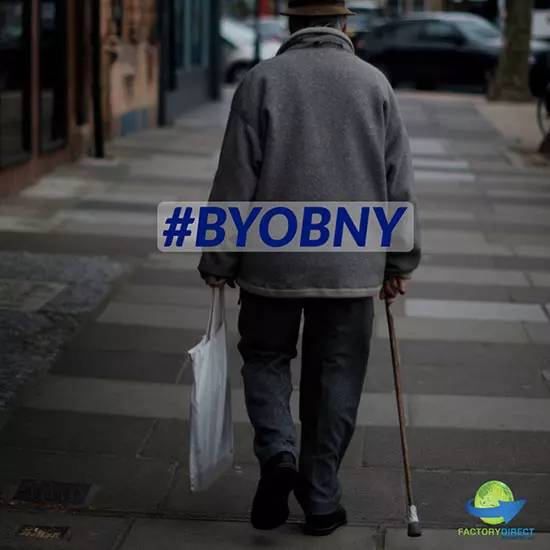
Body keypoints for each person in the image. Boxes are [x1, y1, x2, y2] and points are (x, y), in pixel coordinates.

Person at [198, 0, 421, 537]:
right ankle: (321, 497)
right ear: (344, 25)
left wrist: (219, 256)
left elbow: (235, 178)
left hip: (271, 263)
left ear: (291, 25)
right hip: (353, 266)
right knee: (337, 372)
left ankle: (278, 454)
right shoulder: (374, 84)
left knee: (267, 358)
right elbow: (398, 183)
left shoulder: (261, 81)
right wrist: (399, 260)